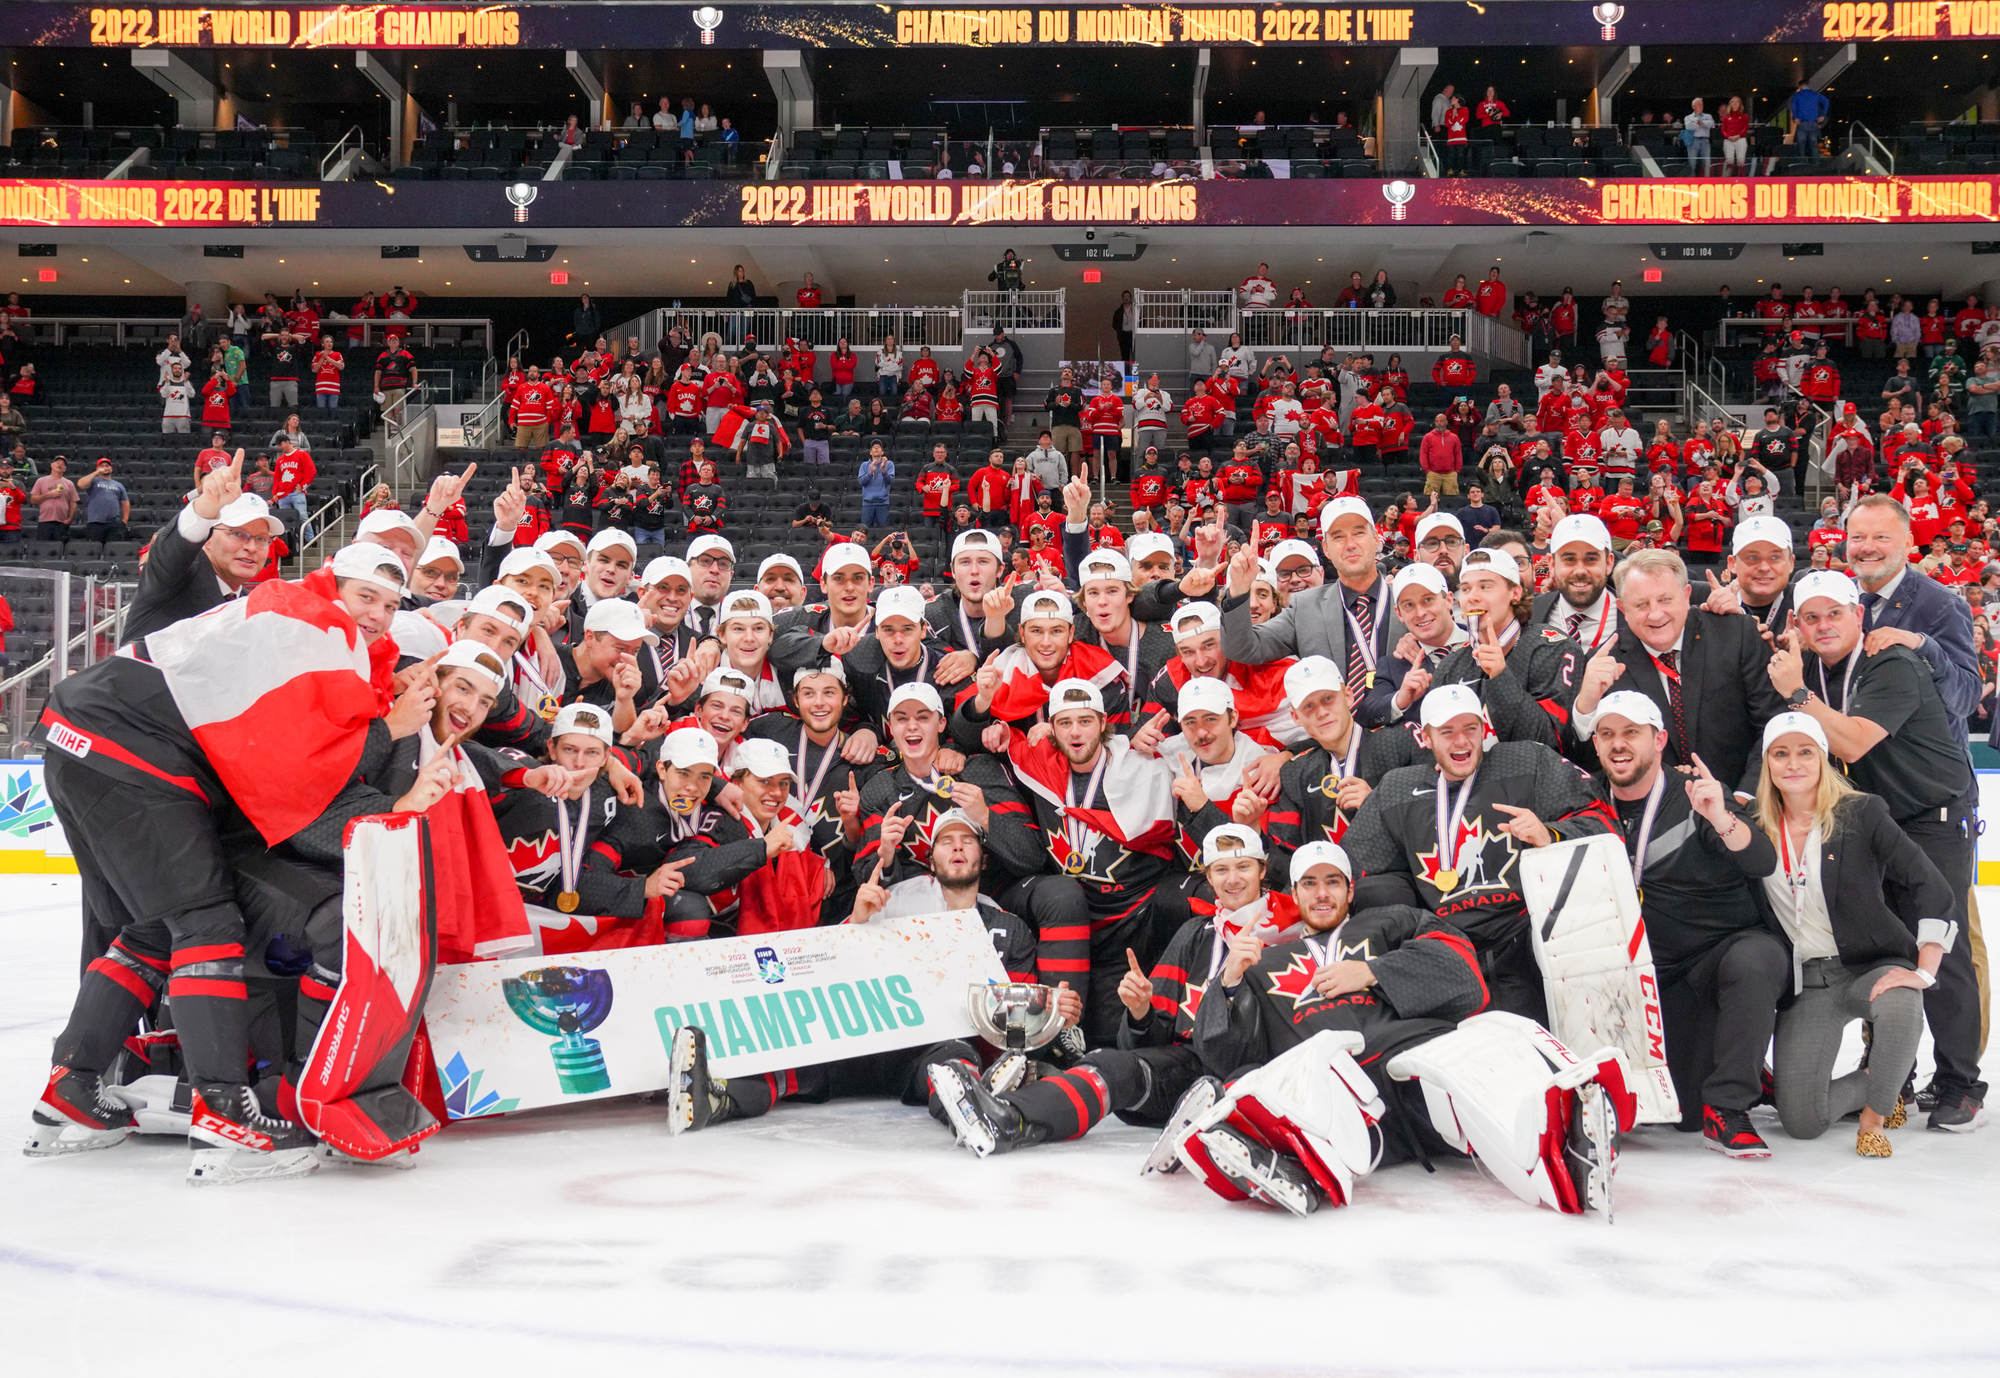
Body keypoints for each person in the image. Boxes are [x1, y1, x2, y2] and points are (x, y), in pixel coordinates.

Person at [1768, 569, 1984, 1130]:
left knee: (1944, 947)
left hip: (1932, 816)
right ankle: (1893, 1073)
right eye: (1811, 617)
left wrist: (1796, 693)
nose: (1823, 625)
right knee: (1883, 948)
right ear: (1798, 624)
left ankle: (1960, 1082)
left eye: (1834, 614)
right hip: (1870, 820)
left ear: (1859, 615)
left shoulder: (1889, 662)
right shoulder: (1814, 668)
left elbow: (1854, 741)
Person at [1342, 682, 1615, 1020]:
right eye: (1447, 732)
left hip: (1528, 940)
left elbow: (1603, 823)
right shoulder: (1397, 789)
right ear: (1426, 738)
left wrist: (1550, 835)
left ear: (1484, 729)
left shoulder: (1527, 762)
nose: (1461, 741)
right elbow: (1356, 872)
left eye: (1470, 728)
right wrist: (1415, 923)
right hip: (1448, 953)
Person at [1589, 691, 1784, 1156]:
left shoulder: (1696, 792)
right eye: (1607, 734)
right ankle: (1732, 1066)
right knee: (1684, 1115)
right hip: (1649, 972)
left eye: (1631, 733)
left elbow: (1761, 860)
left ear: (1659, 740)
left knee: (1757, 958)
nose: (1618, 744)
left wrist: (1720, 817)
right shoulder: (1586, 798)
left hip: (1714, 956)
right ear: (1595, 743)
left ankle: (1729, 1106)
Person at [1754, 714, 1956, 1156]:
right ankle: (1875, 1080)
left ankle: (1875, 1116)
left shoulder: (1861, 813)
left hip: (1870, 964)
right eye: (1781, 754)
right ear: (1767, 762)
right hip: (1808, 980)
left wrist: (1924, 971)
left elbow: (1931, 886)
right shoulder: (1754, 825)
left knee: (1901, 1000)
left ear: (1823, 758)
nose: (1793, 764)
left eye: (1805, 752)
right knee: (1801, 1122)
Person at [1571, 547, 1785, 794]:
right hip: (1654, 808)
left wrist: (1745, 797)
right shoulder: (1603, 664)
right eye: (1641, 604)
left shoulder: (1737, 634)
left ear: (1686, 595)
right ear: (1622, 609)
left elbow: (1772, 723)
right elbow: (1589, 763)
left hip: (1742, 799)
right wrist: (1585, 707)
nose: (1655, 614)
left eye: (1665, 600)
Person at [74, 457, 130, 546]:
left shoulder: (119, 485)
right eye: (102, 466)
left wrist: (125, 520)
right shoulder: (93, 481)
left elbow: (125, 502)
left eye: (107, 466)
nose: (105, 467)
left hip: (114, 523)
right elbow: (81, 484)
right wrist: (96, 473)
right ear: (97, 468)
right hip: (95, 523)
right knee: (95, 548)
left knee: (113, 548)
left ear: (111, 468)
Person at [29, 458, 78, 542]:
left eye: (63, 464)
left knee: (61, 547)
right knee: (43, 548)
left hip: (62, 523)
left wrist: (69, 519)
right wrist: (48, 495)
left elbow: (73, 503)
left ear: (65, 469)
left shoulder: (69, 483)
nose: (60, 464)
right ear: (51, 465)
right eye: (57, 462)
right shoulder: (41, 481)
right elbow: (33, 500)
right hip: (44, 522)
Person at [1788, 79, 1828, 156]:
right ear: (1808, 85)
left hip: (1802, 123)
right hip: (1813, 123)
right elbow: (1826, 101)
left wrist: (1796, 117)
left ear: (1800, 86)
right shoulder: (1815, 94)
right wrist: (1823, 115)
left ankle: (1802, 161)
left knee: (1801, 146)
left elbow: (1793, 106)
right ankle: (1815, 162)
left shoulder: (1797, 95)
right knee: (1814, 145)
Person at [857, 444, 894, 528]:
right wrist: (870, 472)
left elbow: (890, 481)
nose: (876, 448)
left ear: (882, 452)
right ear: (870, 452)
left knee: (884, 531)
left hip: (882, 503)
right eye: (874, 447)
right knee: (864, 531)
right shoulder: (864, 465)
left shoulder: (889, 464)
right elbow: (861, 482)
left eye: (879, 447)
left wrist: (884, 471)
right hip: (867, 503)